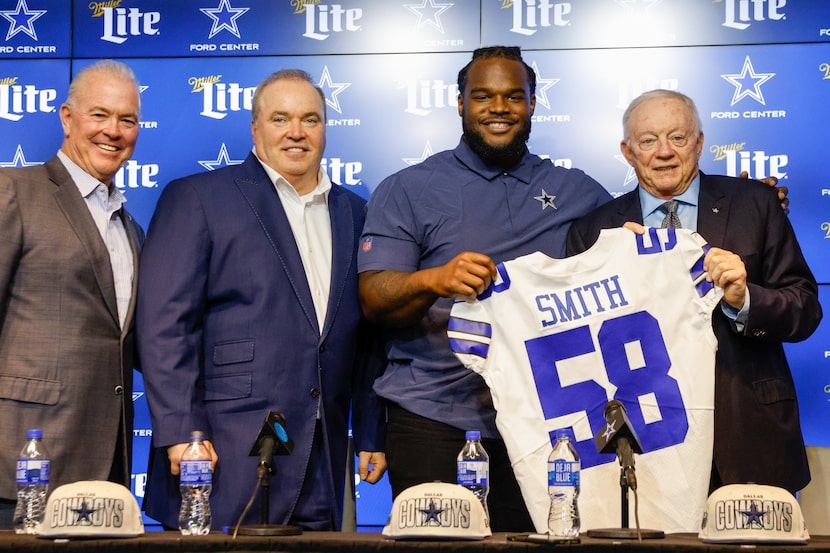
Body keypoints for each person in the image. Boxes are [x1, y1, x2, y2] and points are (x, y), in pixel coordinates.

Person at [357, 46, 613, 531]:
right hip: (433, 419)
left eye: (514, 96)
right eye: (483, 96)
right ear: (459, 103)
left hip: (547, 425)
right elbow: (373, 298)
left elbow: (653, 249)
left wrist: (750, 209)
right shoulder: (408, 188)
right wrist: (433, 279)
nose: (499, 108)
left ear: (534, 104)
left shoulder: (578, 190)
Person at [137, 69, 386, 532]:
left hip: (322, 457)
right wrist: (180, 433)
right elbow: (164, 326)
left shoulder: (355, 212)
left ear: (325, 129)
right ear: (255, 128)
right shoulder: (198, 198)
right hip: (221, 456)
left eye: (310, 119)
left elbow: (367, 335)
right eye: (280, 118)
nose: (296, 132)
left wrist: (371, 430)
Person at [566, 89, 822, 495]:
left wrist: (744, 299)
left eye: (678, 138)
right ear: (628, 151)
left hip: (747, 437)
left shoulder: (756, 203)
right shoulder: (594, 231)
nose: (664, 152)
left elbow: (805, 309)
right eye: (648, 140)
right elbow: (579, 345)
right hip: (644, 444)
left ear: (699, 142)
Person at [0, 60, 144, 528]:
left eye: (127, 120)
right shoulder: (14, 192)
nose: (114, 131)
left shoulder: (131, 227)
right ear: (66, 117)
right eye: (99, 115)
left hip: (108, 470)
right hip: (22, 459)